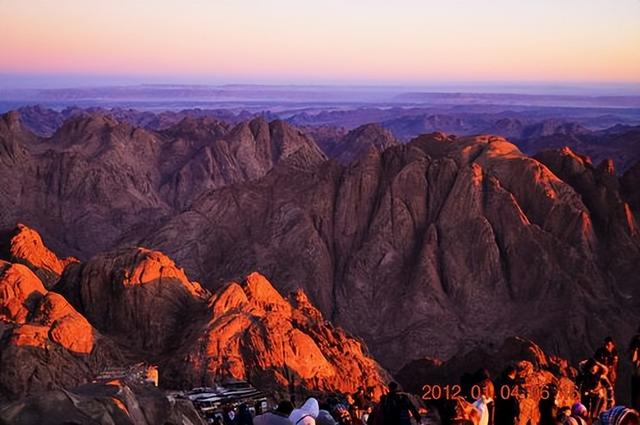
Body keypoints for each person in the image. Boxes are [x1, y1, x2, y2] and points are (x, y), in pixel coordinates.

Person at [630, 327, 640, 411]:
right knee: (636, 397)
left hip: (636, 373)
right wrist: (635, 349)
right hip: (636, 374)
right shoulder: (636, 341)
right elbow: (633, 359)